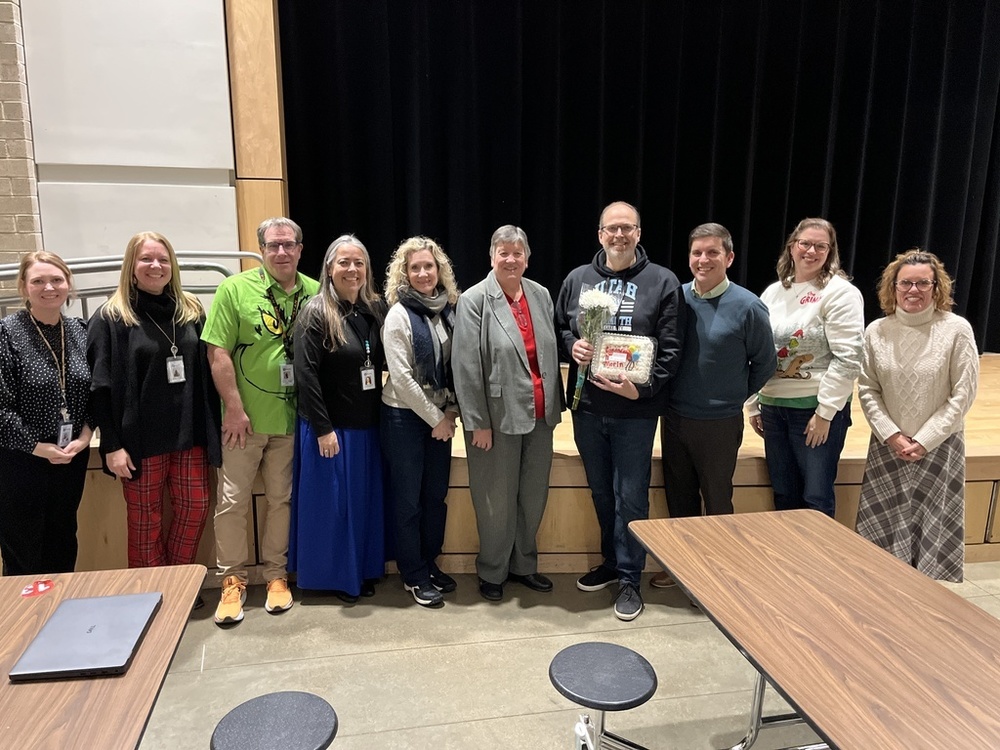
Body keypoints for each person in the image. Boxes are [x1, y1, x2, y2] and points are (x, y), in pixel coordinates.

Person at [555, 201, 685, 621]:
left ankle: (630, 577)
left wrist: (640, 390)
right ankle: (612, 563)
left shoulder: (662, 281)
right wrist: (569, 346)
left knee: (630, 495)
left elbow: (671, 349)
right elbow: (559, 326)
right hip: (588, 408)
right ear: (600, 234)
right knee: (600, 491)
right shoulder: (577, 279)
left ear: (638, 233)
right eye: (611, 229)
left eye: (627, 228)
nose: (619, 236)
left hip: (635, 410)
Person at [202, 217, 319, 625]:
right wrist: (233, 408)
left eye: (289, 245)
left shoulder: (316, 293)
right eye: (273, 246)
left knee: (281, 501)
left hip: (293, 421)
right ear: (262, 249)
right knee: (232, 502)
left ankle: (275, 576)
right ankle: (231, 580)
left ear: (301, 249)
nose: (282, 252)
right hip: (243, 423)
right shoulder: (234, 290)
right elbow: (217, 353)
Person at [87, 232, 221, 584]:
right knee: (145, 520)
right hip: (137, 441)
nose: (155, 266)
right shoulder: (111, 317)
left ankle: (176, 584)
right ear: (131, 266)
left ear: (172, 266)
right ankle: (151, 591)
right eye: (146, 259)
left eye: (162, 259)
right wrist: (112, 445)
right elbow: (99, 389)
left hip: (189, 433)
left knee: (195, 509)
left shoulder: (190, 310)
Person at [651, 223, 775, 589]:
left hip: (719, 423)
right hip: (674, 417)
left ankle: (718, 578)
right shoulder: (676, 299)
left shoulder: (749, 306)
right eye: (697, 253)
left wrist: (732, 396)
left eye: (712, 252)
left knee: (718, 500)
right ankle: (684, 571)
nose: (703, 259)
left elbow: (765, 363)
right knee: (680, 498)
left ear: (729, 257)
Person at [453, 225, 562, 602]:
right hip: (496, 420)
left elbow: (547, 353)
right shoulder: (474, 300)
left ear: (527, 259)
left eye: (518, 253)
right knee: (496, 499)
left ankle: (524, 565)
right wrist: (477, 422)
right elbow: (466, 367)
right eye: (504, 252)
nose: (511, 259)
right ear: (492, 257)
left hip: (541, 413)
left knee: (532, 496)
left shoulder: (540, 294)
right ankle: (493, 570)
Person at [855, 250, 979, 582]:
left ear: (937, 287)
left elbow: (962, 394)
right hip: (888, 447)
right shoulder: (877, 331)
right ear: (892, 287)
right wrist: (892, 435)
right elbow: (867, 389)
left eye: (923, 283)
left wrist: (925, 440)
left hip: (940, 447)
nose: (914, 290)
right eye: (906, 283)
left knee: (933, 551)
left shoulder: (956, 330)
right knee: (880, 558)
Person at [291, 235, 388, 602]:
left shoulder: (373, 311)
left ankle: (360, 570)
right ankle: (335, 578)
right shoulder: (315, 312)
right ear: (329, 269)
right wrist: (323, 428)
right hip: (331, 430)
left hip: (366, 426)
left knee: (360, 508)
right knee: (334, 511)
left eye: (359, 263)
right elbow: (306, 375)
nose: (352, 270)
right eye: (344, 262)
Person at [747, 217, 864, 517]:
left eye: (820, 246)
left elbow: (849, 357)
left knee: (816, 497)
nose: (811, 251)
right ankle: (788, 563)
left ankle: (817, 564)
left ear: (830, 252)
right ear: (792, 246)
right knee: (784, 495)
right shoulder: (773, 293)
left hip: (813, 411)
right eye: (805, 244)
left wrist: (826, 412)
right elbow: (755, 351)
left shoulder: (840, 293)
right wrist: (754, 404)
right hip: (773, 408)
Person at [0, 251, 93, 575]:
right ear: (24, 288)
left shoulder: (81, 331)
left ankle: (58, 614)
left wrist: (84, 437)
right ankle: (24, 622)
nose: (49, 287)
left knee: (64, 539)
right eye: (38, 281)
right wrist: (38, 448)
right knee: (23, 549)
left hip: (71, 454)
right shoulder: (7, 333)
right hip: (20, 459)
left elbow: (93, 393)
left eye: (56, 279)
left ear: (68, 284)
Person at [381, 237, 460, 607]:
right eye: (415, 268)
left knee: (435, 497)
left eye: (429, 266)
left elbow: (457, 368)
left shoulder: (448, 310)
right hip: (403, 418)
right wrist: (436, 418)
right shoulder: (398, 314)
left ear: (439, 270)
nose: (424, 273)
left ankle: (430, 563)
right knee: (409, 501)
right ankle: (413, 574)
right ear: (404, 273)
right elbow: (402, 378)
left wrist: (450, 412)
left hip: (440, 418)